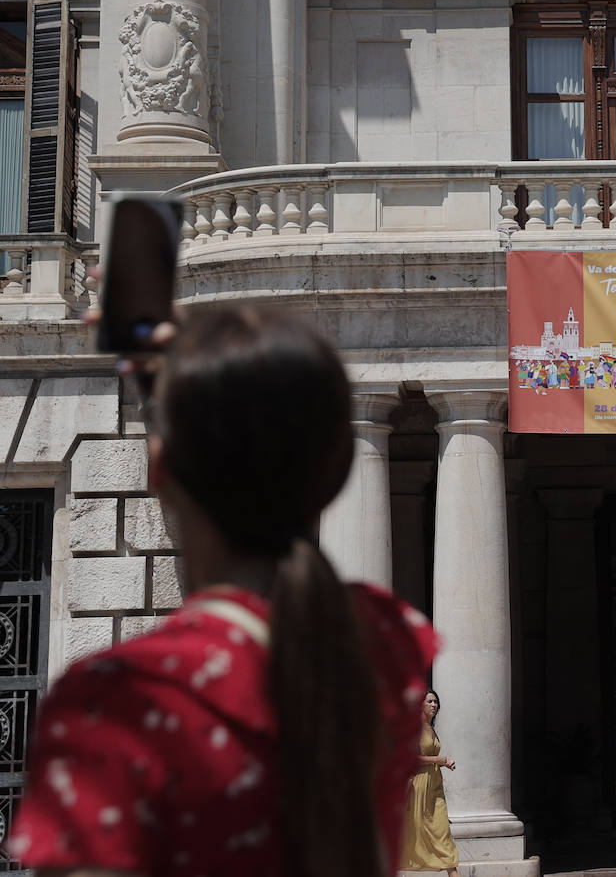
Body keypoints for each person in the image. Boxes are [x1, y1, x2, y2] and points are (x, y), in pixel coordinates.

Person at [7, 307, 438, 877]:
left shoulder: (117, 699)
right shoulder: (383, 647)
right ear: (332, 473)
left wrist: (171, 390)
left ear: (158, 467)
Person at [402, 690, 460, 876]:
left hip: (435, 785)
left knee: (443, 830)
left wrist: (445, 763)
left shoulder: (430, 728)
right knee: (414, 832)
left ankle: (452, 871)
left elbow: (431, 757)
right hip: (419, 786)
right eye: (430, 701)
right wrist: (437, 760)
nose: (434, 705)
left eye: (436, 701)